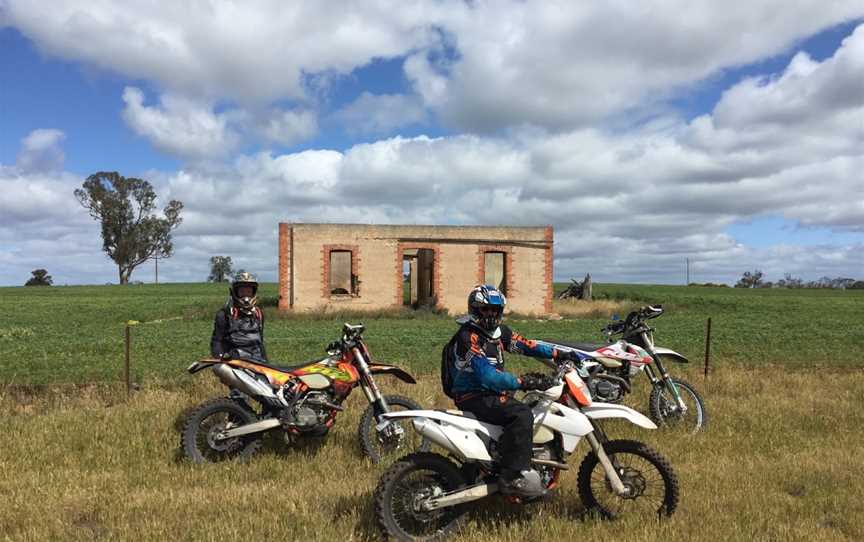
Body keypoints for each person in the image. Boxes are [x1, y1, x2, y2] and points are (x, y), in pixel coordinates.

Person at [445, 284, 576, 498]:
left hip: (489, 393)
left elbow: (526, 345)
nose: (491, 314)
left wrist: (556, 353)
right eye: (486, 309)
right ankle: (512, 475)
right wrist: (522, 381)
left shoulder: (498, 333)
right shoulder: (468, 337)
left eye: (495, 310)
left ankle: (494, 460)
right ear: (475, 310)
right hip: (474, 395)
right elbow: (487, 376)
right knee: (522, 414)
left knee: (528, 407)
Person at [210, 271, 268, 361]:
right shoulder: (225, 314)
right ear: (234, 292)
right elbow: (217, 341)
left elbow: (260, 342)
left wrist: (266, 363)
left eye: (248, 292)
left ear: (254, 293)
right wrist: (220, 359)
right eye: (242, 292)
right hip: (234, 361)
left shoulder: (258, 314)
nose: (246, 297)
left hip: (257, 360)